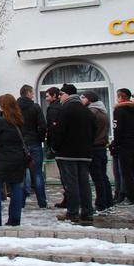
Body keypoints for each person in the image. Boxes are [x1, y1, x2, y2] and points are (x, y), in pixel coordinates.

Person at [53, 84, 96, 224]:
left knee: (71, 184)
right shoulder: (87, 111)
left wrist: (55, 147)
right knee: (84, 184)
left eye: (60, 94)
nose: (59, 97)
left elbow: (59, 132)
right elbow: (93, 131)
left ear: (67, 95)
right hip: (85, 153)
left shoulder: (65, 110)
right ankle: (87, 211)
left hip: (67, 153)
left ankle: (72, 212)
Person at [0, 94, 27, 227]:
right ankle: (14, 219)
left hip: (4, 157)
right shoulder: (20, 121)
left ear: (3, 106)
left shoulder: (1, 121)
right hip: (19, 158)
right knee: (16, 187)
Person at [81, 91, 113, 213]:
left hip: (94, 146)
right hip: (102, 147)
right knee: (103, 176)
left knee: (97, 177)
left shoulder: (91, 112)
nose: (82, 100)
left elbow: (88, 130)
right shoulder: (103, 111)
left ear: (89, 99)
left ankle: (101, 203)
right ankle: (108, 201)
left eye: (83, 97)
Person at [112, 88, 134, 205]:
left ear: (120, 97)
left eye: (117, 96)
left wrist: (116, 144)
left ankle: (131, 197)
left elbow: (117, 129)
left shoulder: (119, 110)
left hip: (124, 145)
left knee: (126, 172)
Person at [17, 85, 47, 208]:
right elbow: (42, 126)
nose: (33, 95)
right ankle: (42, 202)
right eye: (32, 93)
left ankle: (21, 201)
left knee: (22, 173)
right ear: (28, 93)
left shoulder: (16, 108)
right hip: (34, 142)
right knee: (37, 173)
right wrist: (39, 138)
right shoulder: (35, 107)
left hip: (20, 143)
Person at [45, 87, 65, 208]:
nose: (46, 98)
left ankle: (68, 199)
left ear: (54, 95)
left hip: (58, 146)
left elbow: (53, 128)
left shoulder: (53, 109)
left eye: (47, 96)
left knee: (65, 174)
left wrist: (52, 146)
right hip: (63, 145)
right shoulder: (61, 107)